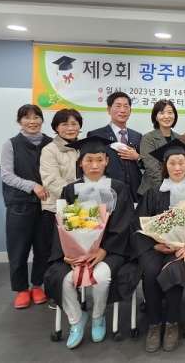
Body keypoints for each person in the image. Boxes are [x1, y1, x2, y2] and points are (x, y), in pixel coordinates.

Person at [44, 136, 134, 349]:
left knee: (101, 277)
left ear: (107, 161)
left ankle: (98, 316)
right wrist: (67, 253)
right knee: (62, 278)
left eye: (100, 160)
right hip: (74, 252)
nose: (95, 165)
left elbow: (124, 224)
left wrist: (104, 250)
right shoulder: (70, 190)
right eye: (89, 160)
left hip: (109, 251)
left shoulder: (119, 188)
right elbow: (61, 225)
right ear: (80, 162)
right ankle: (76, 319)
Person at [130, 139, 185, 353]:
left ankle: (172, 324)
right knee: (150, 271)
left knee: (175, 270)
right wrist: (154, 245)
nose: (177, 167)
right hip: (157, 247)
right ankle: (154, 323)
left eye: (181, 163)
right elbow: (139, 224)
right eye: (172, 163)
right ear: (165, 166)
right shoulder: (153, 192)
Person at [0, 104, 53, 309]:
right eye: (27, 117)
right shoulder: (11, 144)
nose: (32, 121)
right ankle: (21, 289)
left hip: (46, 205)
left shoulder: (50, 143)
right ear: (20, 121)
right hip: (19, 203)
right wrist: (33, 186)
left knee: (43, 248)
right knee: (18, 249)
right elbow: (7, 175)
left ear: (42, 120)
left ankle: (37, 285)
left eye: (36, 117)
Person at [39, 108, 82, 308]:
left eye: (74, 124)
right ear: (56, 127)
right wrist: (80, 195)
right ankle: (53, 294)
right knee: (55, 254)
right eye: (64, 124)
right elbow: (52, 181)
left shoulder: (83, 148)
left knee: (77, 252)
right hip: (56, 208)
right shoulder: (50, 150)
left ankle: (76, 290)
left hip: (81, 210)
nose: (70, 128)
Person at [87, 91, 143, 203]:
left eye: (126, 106)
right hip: (107, 192)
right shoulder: (96, 135)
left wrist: (137, 157)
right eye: (118, 106)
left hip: (135, 193)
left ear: (130, 111)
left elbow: (145, 164)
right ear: (109, 110)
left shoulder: (137, 136)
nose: (123, 110)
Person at [138, 99, 181, 196]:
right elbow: (152, 169)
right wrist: (167, 188)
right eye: (162, 113)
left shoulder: (180, 138)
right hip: (153, 191)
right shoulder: (148, 138)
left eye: (170, 112)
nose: (167, 116)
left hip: (177, 190)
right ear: (156, 117)